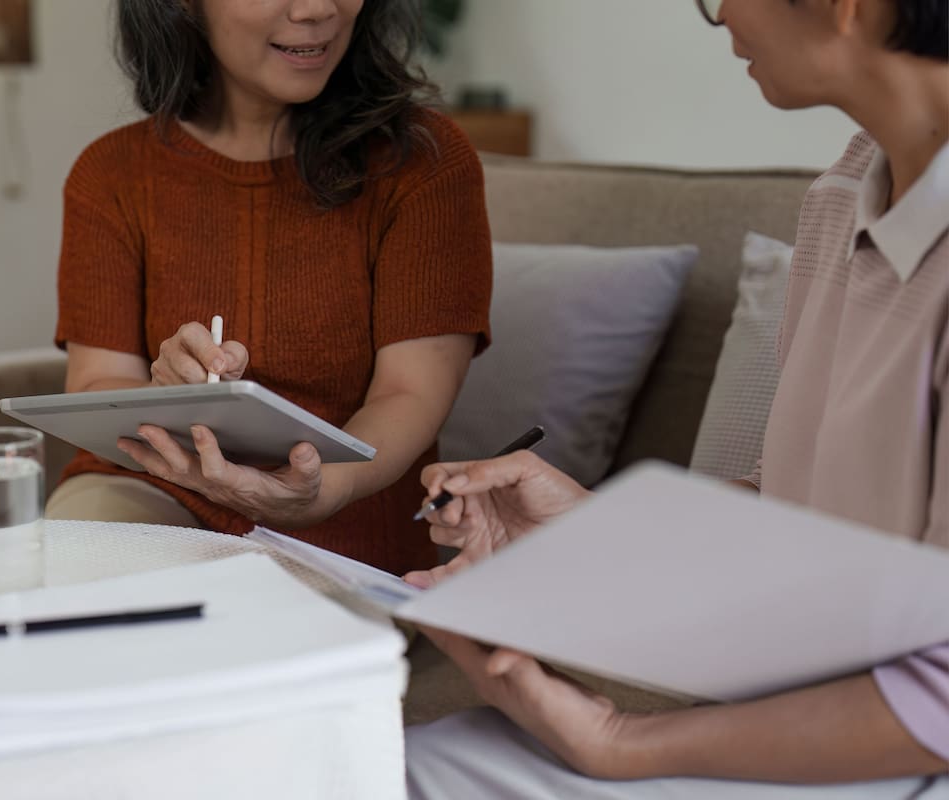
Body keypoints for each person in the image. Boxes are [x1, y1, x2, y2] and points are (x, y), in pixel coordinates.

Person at [404, 0, 949, 796]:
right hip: (793, 711)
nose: (718, 13)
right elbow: (806, 517)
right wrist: (591, 537)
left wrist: (621, 740)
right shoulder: (846, 192)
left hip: (902, 760)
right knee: (378, 755)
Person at [47, 0, 492, 574]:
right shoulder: (110, 174)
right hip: (150, 499)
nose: (318, 9)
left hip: (343, 529)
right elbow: (96, 382)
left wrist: (319, 490)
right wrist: (163, 395)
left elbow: (408, 394)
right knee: (84, 579)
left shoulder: (425, 163)